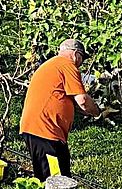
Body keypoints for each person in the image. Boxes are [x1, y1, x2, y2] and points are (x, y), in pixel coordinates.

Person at [19, 38, 101, 180]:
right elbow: (82, 100)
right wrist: (98, 113)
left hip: (39, 129)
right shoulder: (67, 65)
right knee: (55, 181)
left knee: (58, 175)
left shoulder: (51, 65)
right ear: (76, 54)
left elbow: (68, 100)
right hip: (45, 131)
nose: (81, 64)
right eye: (82, 58)